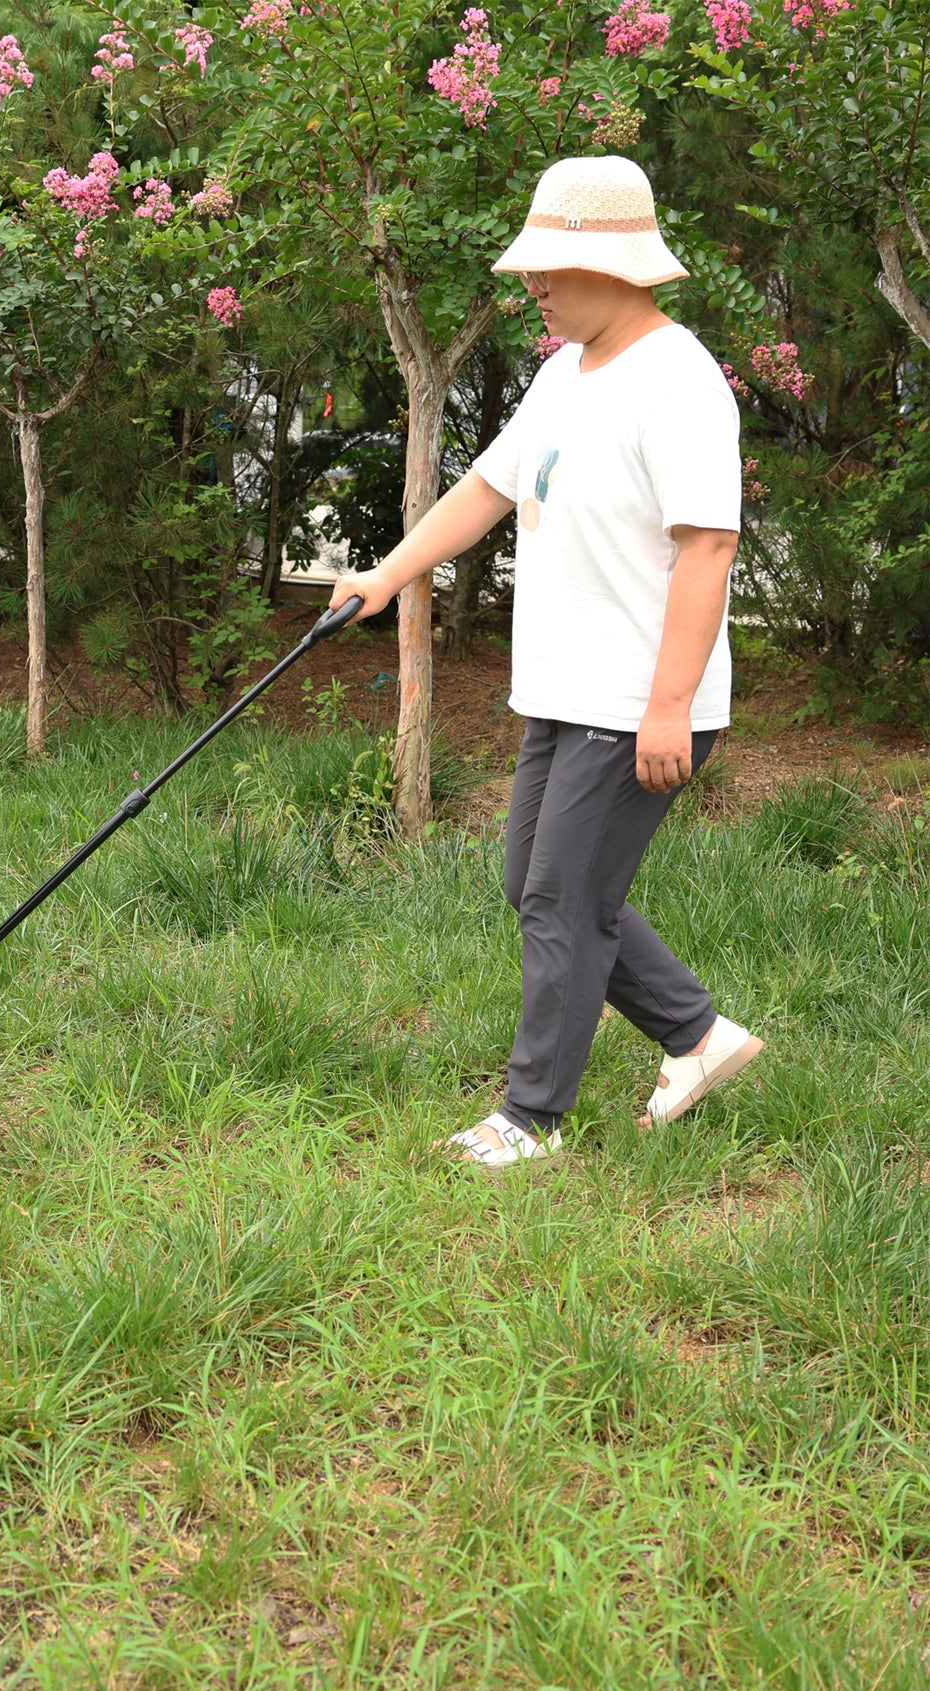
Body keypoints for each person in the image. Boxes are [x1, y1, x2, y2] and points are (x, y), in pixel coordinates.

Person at [329, 155, 764, 1167]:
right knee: (534, 879)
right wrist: (388, 574)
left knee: (563, 898)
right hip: (567, 689)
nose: (530, 281)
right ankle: (698, 1036)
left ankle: (530, 1119)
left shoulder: (679, 380)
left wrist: (668, 707)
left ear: (615, 266)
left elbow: (707, 547)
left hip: (638, 697)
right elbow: (484, 488)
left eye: (550, 266)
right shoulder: (563, 371)